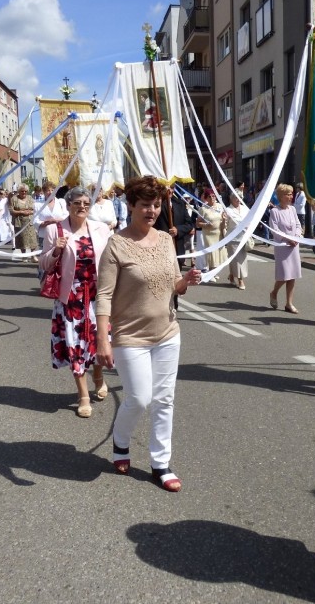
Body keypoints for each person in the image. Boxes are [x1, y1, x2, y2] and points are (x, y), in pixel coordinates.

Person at [95, 176, 202, 492]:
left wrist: (187, 281)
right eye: (145, 205)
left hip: (167, 332)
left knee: (164, 399)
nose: (152, 211)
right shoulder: (117, 245)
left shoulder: (167, 240)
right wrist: (103, 338)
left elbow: (173, 283)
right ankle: (121, 439)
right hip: (130, 336)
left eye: (156, 205)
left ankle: (160, 463)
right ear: (130, 206)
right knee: (140, 397)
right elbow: (103, 295)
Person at [40, 187, 112, 417]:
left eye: (85, 203)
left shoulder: (101, 229)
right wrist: (55, 251)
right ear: (68, 205)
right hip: (70, 298)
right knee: (75, 346)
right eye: (77, 203)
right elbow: (43, 264)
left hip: (96, 295)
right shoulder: (55, 229)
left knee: (101, 340)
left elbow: (112, 261)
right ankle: (83, 395)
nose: (82, 207)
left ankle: (98, 374)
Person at [268, 183, 303, 313]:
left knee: (292, 275)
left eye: (291, 194)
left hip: (294, 247)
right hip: (283, 247)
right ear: (281, 196)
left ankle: (289, 303)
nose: (291, 196)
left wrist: (297, 236)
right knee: (284, 275)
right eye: (288, 194)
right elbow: (274, 230)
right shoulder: (275, 211)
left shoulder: (292, 209)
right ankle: (274, 292)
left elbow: (298, 225)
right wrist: (288, 239)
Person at [155, 184, 194, 271]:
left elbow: (189, 224)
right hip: (161, 248)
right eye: (167, 187)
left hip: (177, 249)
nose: (170, 190)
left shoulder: (180, 203)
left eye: (172, 188)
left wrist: (178, 230)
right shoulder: (156, 203)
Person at [196, 188, 227, 278]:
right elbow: (198, 223)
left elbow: (223, 218)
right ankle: (210, 272)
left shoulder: (220, 207)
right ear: (206, 198)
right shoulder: (203, 209)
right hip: (208, 234)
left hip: (218, 233)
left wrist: (224, 219)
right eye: (209, 196)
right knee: (211, 252)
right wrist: (206, 224)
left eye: (213, 196)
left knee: (218, 252)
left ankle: (214, 271)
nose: (212, 198)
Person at [224, 191, 250, 290]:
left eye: (240, 197)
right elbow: (224, 225)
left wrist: (249, 229)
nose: (238, 199)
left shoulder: (245, 209)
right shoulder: (228, 210)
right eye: (236, 197)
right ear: (231, 198)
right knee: (237, 260)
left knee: (239, 259)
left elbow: (250, 220)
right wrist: (223, 221)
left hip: (243, 238)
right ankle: (240, 280)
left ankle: (231, 275)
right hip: (233, 238)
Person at [34, 181, 68, 254]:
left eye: (53, 190)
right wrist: (45, 223)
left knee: (60, 254)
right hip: (44, 234)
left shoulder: (61, 202)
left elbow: (66, 216)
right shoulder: (38, 205)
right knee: (45, 255)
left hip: (60, 233)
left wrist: (55, 220)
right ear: (44, 192)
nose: (50, 192)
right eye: (48, 190)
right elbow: (35, 220)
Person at [10, 184, 39, 262]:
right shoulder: (14, 199)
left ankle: (33, 256)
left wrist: (30, 212)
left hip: (29, 221)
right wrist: (21, 212)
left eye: (25, 191)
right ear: (19, 191)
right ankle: (24, 256)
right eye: (22, 191)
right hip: (19, 221)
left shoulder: (30, 198)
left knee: (32, 239)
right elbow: (11, 211)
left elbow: (35, 209)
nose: (24, 193)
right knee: (22, 239)